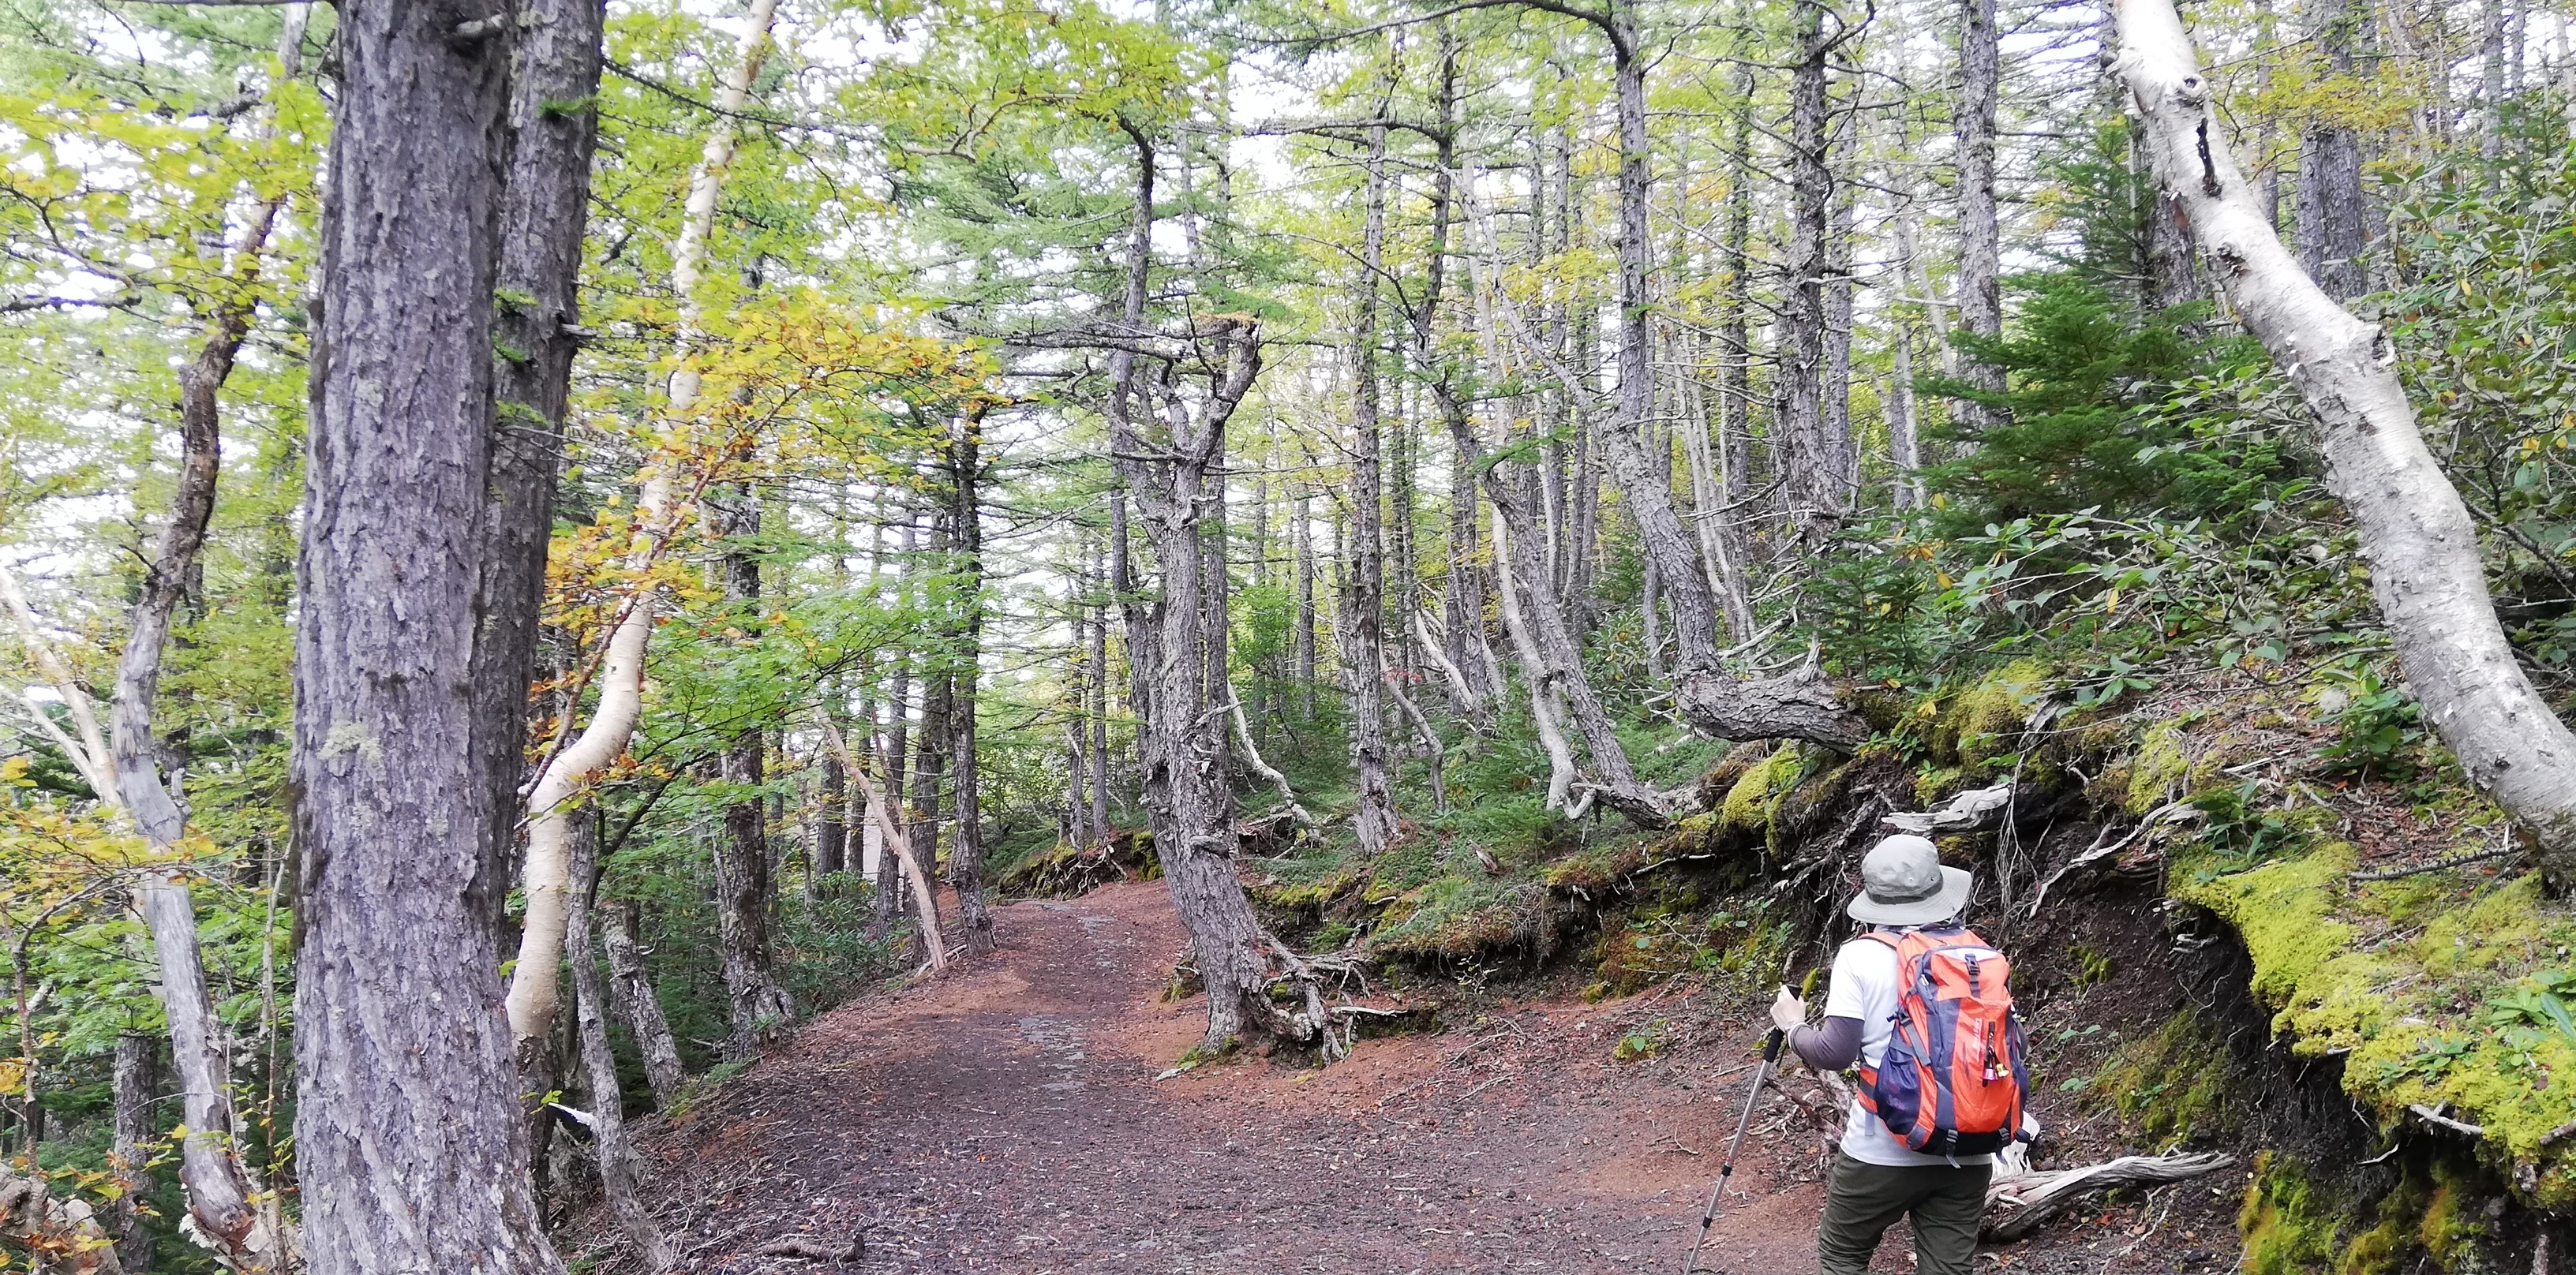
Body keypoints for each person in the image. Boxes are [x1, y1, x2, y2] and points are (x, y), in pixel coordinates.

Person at [1769, 833, 2020, 1275]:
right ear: (1939, 890)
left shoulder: (1860, 956)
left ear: (1874, 899)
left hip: (1881, 1148)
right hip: (1970, 1144)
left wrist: (1792, 1028)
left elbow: (1833, 1052)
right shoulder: (1980, 955)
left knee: (1843, 1256)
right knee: (1949, 1268)